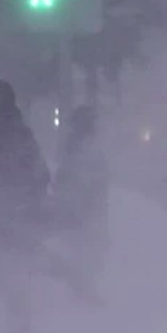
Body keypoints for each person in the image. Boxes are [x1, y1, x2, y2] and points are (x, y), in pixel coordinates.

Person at [0, 79, 51, 333]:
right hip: (0, 222)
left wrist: (25, 203)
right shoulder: (18, 135)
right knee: (10, 289)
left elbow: (40, 176)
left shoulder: (20, 136)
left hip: (11, 224)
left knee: (14, 289)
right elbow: (41, 175)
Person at [51, 106, 110, 288]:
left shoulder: (73, 144)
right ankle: (83, 287)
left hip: (79, 204)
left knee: (81, 248)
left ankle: (81, 286)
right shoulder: (84, 145)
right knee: (84, 248)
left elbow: (64, 174)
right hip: (82, 205)